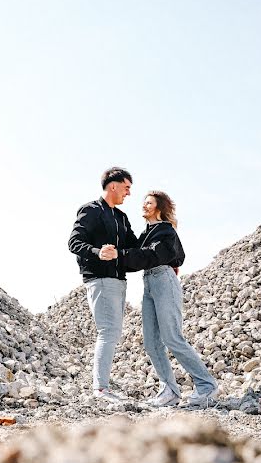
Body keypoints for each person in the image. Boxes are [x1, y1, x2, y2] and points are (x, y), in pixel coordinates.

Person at [107, 191, 219, 408]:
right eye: (143, 202)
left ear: (159, 207)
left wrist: (121, 255)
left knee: (172, 337)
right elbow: (136, 259)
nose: (144, 205)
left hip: (163, 280)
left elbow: (153, 256)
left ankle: (207, 385)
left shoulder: (165, 231)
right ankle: (169, 390)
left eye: (149, 202)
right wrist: (114, 256)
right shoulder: (147, 234)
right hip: (149, 282)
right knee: (151, 342)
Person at [68, 167, 139, 403]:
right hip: (99, 279)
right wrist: (98, 252)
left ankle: (102, 387)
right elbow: (74, 242)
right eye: (127, 188)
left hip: (119, 281)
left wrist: (162, 232)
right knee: (108, 331)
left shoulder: (121, 218)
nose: (128, 193)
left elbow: (135, 247)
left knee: (113, 332)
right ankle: (100, 389)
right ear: (113, 186)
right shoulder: (90, 211)